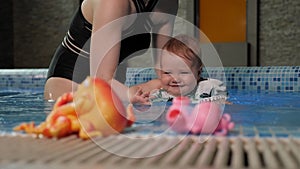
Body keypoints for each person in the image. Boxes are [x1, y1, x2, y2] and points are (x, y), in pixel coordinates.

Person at [44, 0, 179, 101]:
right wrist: (131, 95)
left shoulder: (167, 3)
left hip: (113, 87)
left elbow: (165, 72)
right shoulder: (111, 2)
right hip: (70, 85)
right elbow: (102, 79)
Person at [129, 34, 228, 104]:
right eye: (167, 72)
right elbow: (133, 92)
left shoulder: (209, 88)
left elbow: (226, 106)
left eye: (183, 72)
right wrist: (138, 100)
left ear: (198, 72)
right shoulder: (160, 93)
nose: (175, 78)